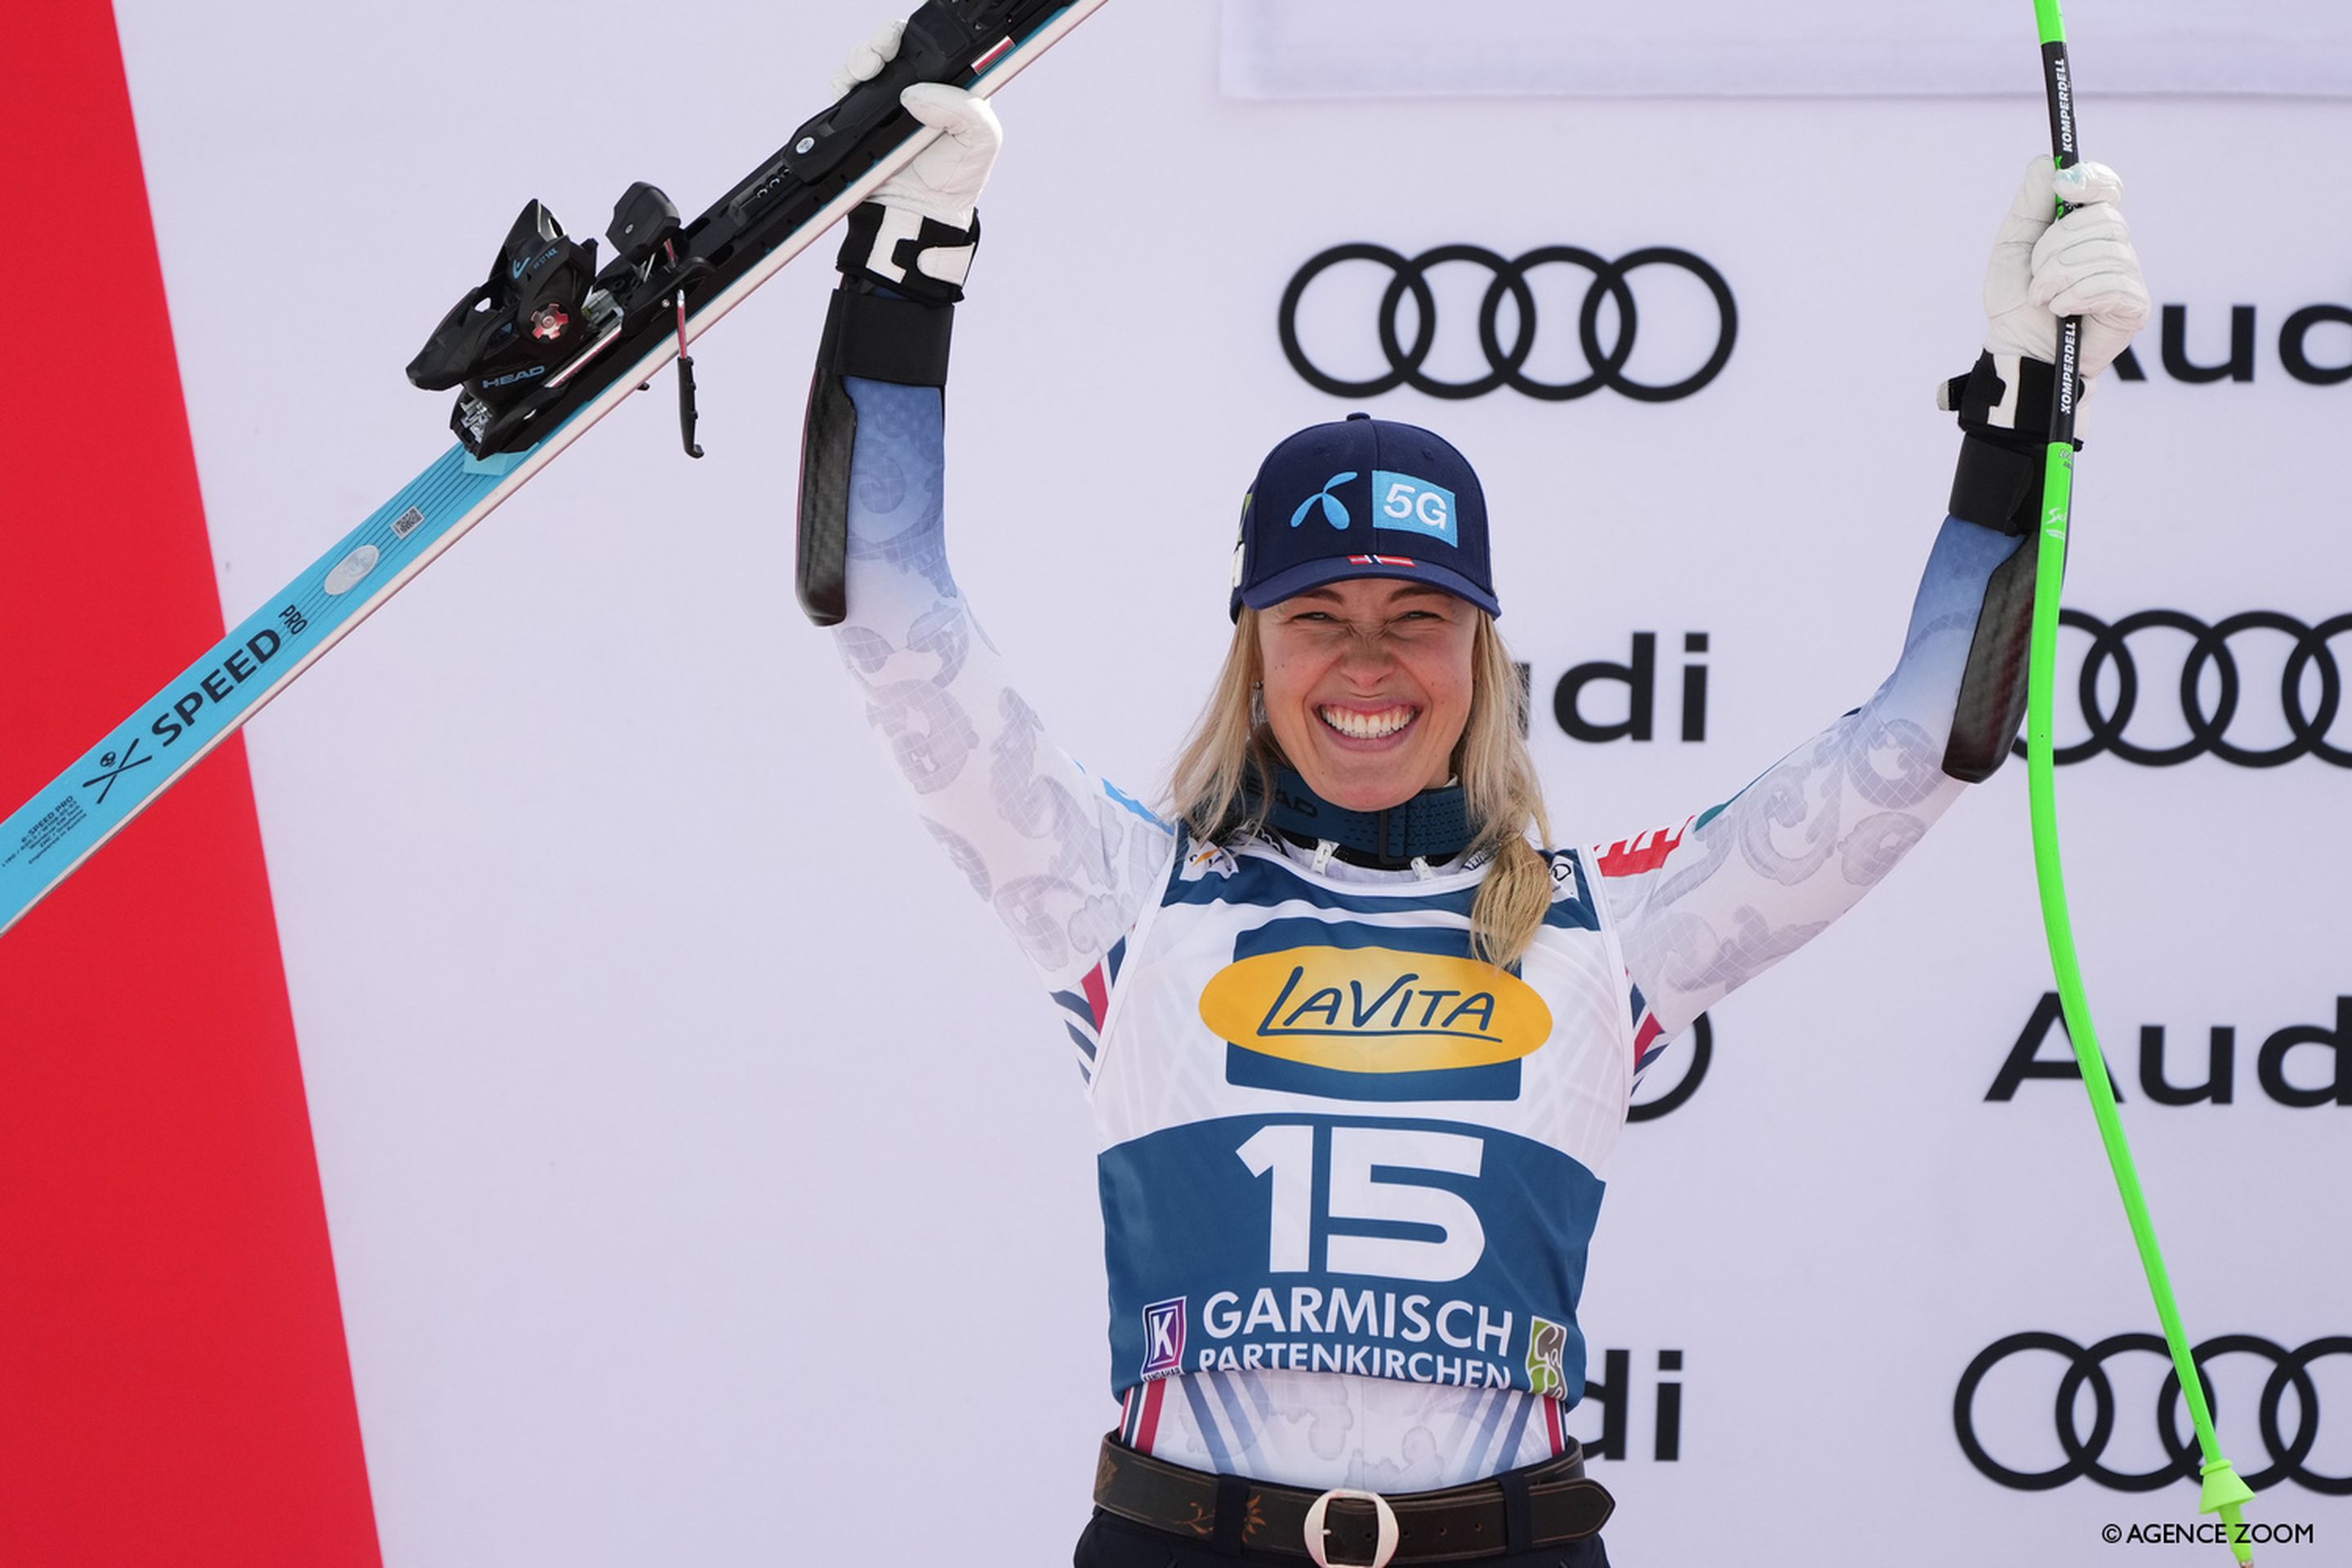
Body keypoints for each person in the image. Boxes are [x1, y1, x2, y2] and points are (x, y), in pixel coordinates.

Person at [795, 21, 2152, 1568]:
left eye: (1416, 618)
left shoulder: (1605, 925)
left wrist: (2024, 413)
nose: (1367, 663)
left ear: (1483, 653)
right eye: (1318, 616)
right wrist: (905, 264)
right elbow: (883, 602)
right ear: (1254, 648)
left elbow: (1933, 737)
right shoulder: (1123, 889)